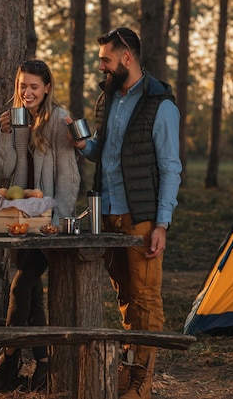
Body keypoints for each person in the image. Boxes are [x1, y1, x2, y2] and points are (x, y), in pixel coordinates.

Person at [71, 28, 181, 399]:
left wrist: (162, 223)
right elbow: (108, 151)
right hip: (107, 212)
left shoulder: (160, 104)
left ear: (127, 57)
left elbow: (170, 167)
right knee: (125, 297)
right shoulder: (108, 99)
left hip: (142, 217)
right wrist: (85, 145)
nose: (100, 65)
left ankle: (141, 383)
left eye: (106, 59)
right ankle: (129, 367)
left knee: (146, 298)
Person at [0, 59, 81, 392]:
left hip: (47, 220)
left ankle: (9, 354)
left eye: (34, 87)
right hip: (20, 218)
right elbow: (4, 168)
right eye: (22, 86)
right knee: (32, 294)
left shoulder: (58, 118)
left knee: (20, 286)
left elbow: (69, 176)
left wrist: (56, 222)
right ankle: (42, 363)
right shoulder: (17, 116)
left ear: (47, 88)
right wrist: (5, 133)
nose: (27, 92)